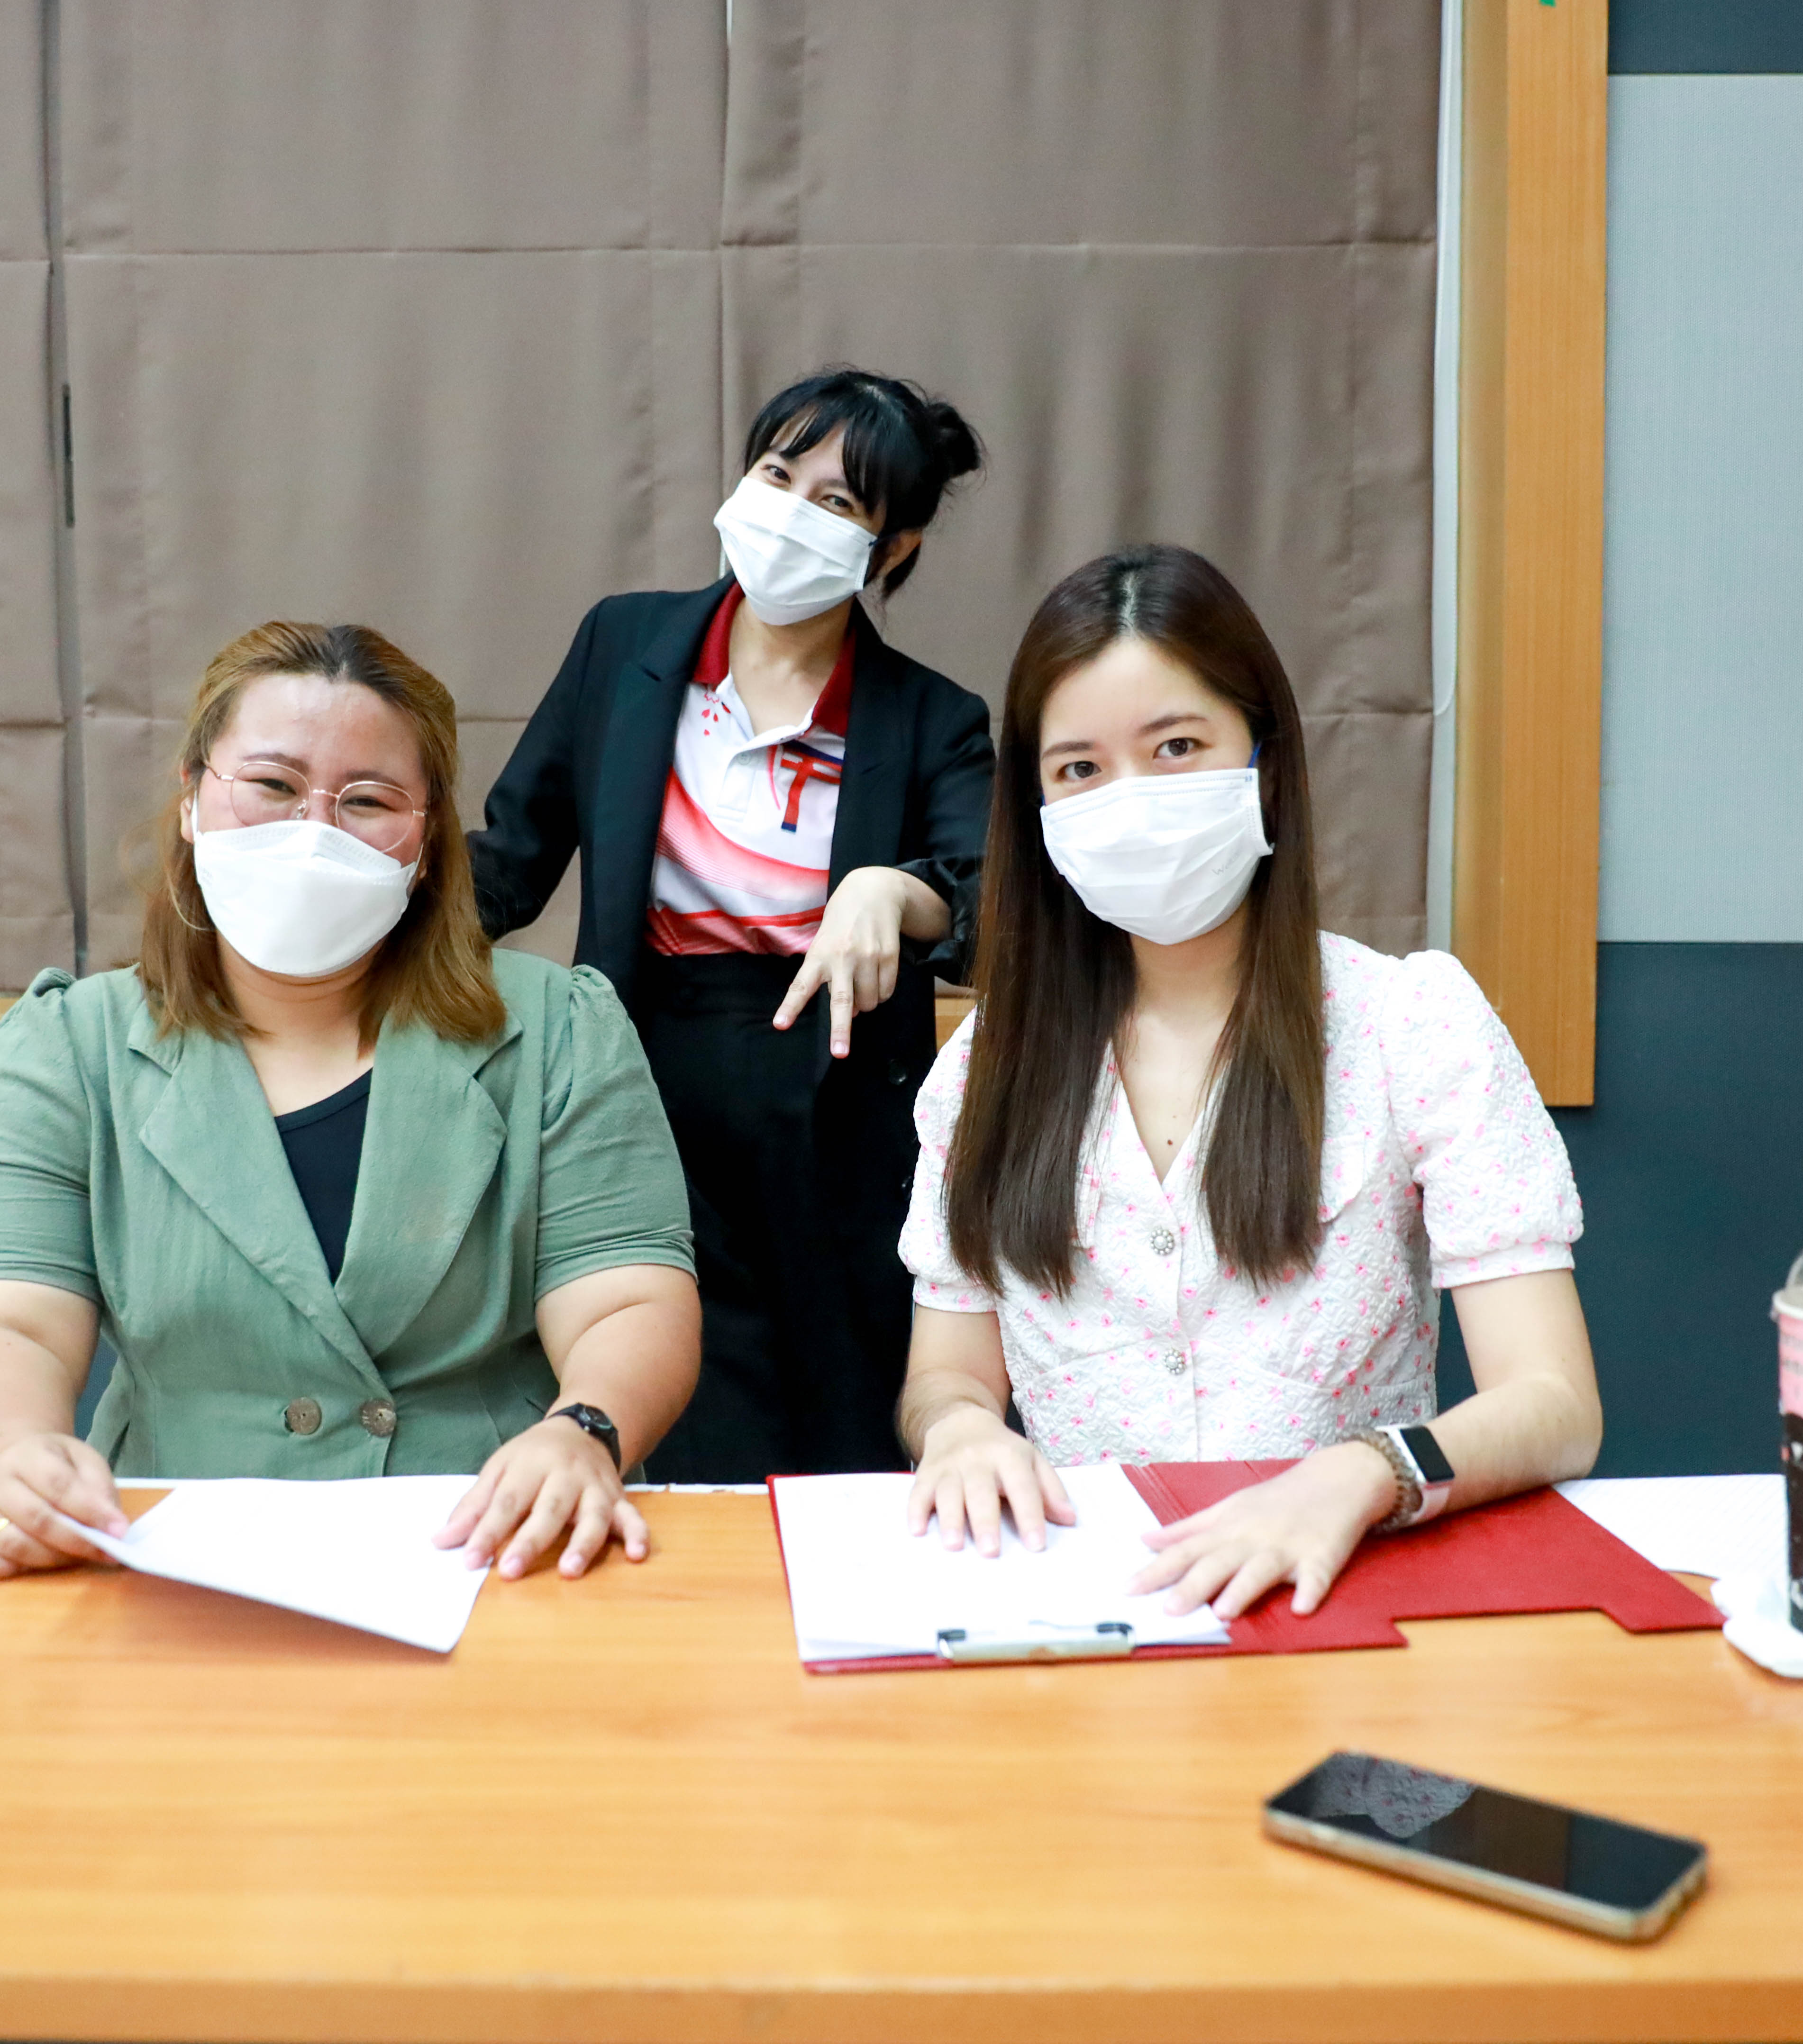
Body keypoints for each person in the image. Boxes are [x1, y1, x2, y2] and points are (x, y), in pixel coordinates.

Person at [895, 545, 1603, 1620]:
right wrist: (957, 1431)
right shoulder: (981, 1068)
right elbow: (947, 1371)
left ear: (1263, 762)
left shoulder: (1410, 1024)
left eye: (1176, 747)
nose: (1131, 800)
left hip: (1344, 1591)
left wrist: (1367, 1474)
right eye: (1079, 769)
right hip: (1088, 1605)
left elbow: (1553, 1402)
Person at [0, 622, 699, 1585]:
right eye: (272, 785)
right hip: (169, 1553)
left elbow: (626, 1299)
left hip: (496, 1546)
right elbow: (5, 1323)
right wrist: (16, 1456)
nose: (313, 830)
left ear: (427, 844)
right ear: (192, 799)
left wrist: (583, 1430)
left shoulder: (557, 1026)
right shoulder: (68, 1045)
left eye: (367, 800)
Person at [470, 367, 991, 1481]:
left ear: (892, 548)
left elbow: (987, 906)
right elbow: (510, 860)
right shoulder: (623, 645)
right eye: (776, 475)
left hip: (833, 1090)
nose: (790, 514)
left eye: (836, 503)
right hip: (639, 1069)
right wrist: (361, 913)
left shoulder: (933, 716)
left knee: (841, 1401)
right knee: (675, 1387)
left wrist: (894, 891)